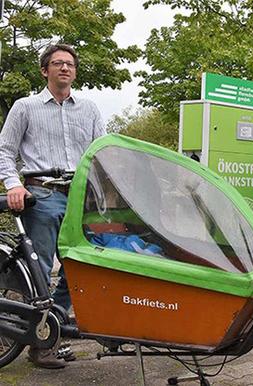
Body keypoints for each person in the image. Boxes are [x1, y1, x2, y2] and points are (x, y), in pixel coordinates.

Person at [0, 44, 106, 368]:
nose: (64, 68)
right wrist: (13, 184)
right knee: (41, 270)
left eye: (69, 64)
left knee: (79, 268)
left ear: (75, 71)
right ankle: (40, 345)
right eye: (57, 63)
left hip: (78, 198)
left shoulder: (89, 110)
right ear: (45, 70)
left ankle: (51, 331)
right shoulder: (25, 107)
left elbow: (101, 155)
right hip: (41, 195)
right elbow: (4, 151)